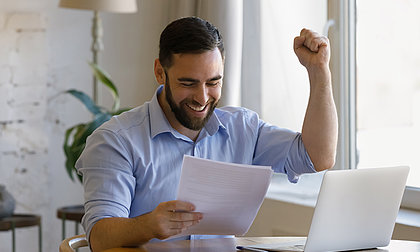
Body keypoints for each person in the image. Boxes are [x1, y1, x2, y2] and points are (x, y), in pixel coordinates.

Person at [76, 16, 338, 251]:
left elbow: (318, 157)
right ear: (160, 72)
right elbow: (100, 238)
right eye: (187, 83)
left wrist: (319, 71)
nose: (202, 98)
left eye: (213, 82)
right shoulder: (116, 141)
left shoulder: (242, 128)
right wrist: (149, 225)